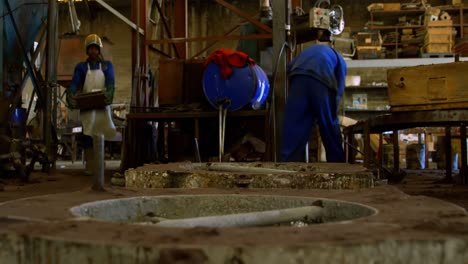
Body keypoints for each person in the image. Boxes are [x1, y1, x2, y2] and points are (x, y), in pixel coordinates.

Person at [281, 30, 347, 162]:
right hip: (320, 77)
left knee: (295, 124)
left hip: (298, 77)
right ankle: (337, 164)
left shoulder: (307, 52)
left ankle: (288, 164)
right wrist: (332, 110)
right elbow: (337, 90)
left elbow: (289, 68)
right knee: (328, 123)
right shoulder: (340, 60)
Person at [67, 34, 116, 174]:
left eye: (95, 49)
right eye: (91, 49)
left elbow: (111, 81)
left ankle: (100, 163)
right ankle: (90, 164)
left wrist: (110, 92)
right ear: (87, 51)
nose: (93, 51)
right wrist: (71, 94)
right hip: (88, 107)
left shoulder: (107, 66)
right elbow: (75, 83)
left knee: (101, 133)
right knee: (88, 134)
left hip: (102, 107)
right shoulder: (81, 67)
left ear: (99, 50)